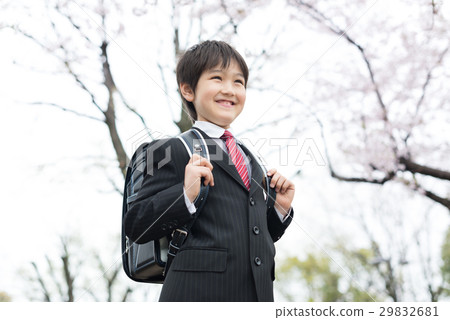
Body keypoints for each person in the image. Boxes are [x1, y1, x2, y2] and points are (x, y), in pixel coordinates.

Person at [124, 40, 295, 302]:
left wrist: (279, 209)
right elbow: (136, 226)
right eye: (217, 78)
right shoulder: (167, 150)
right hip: (195, 296)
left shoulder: (251, 158)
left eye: (238, 82)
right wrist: (184, 194)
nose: (230, 89)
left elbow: (253, 235)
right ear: (188, 90)